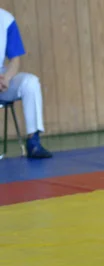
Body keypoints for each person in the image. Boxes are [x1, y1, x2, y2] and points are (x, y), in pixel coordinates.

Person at [0, 8, 51, 158]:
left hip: (2, 78)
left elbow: (15, 59)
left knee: (30, 83)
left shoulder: (5, 19)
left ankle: (33, 142)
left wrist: (7, 78)